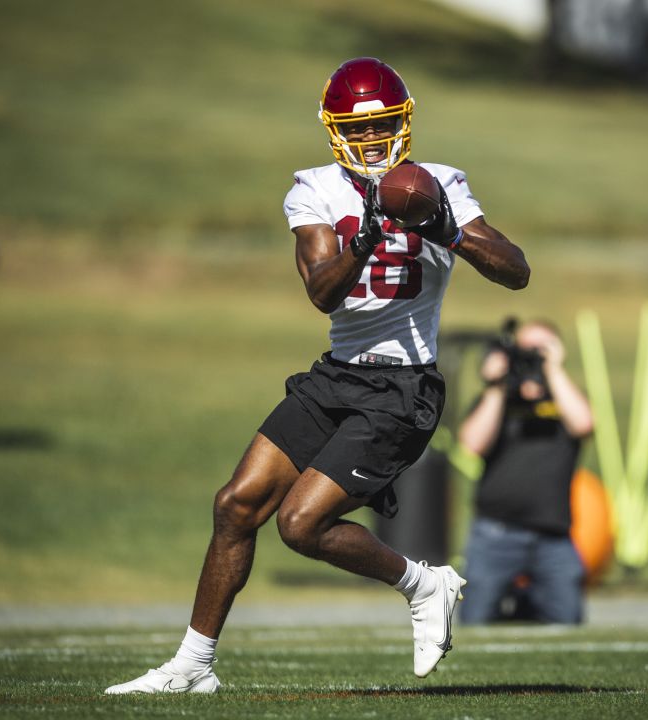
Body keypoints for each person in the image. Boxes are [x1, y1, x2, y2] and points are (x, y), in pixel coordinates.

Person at [105, 57, 530, 695]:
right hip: (336, 376)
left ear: (404, 122)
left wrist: (448, 228)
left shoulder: (438, 182)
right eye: (357, 130)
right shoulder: (313, 190)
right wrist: (364, 239)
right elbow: (322, 294)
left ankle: (424, 584)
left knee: (301, 526)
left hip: (402, 388)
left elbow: (515, 269)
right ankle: (192, 666)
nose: (370, 140)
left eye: (382, 125)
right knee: (235, 505)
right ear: (333, 132)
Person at [456, 319, 594, 625]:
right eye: (526, 348)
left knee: (567, 622)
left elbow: (583, 424)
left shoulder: (563, 396)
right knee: (475, 621)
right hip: (495, 533)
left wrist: (554, 370)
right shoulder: (498, 399)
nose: (532, 355)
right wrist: (497, 385)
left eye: (541, 348)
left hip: (553, 535)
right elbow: (472, 443)